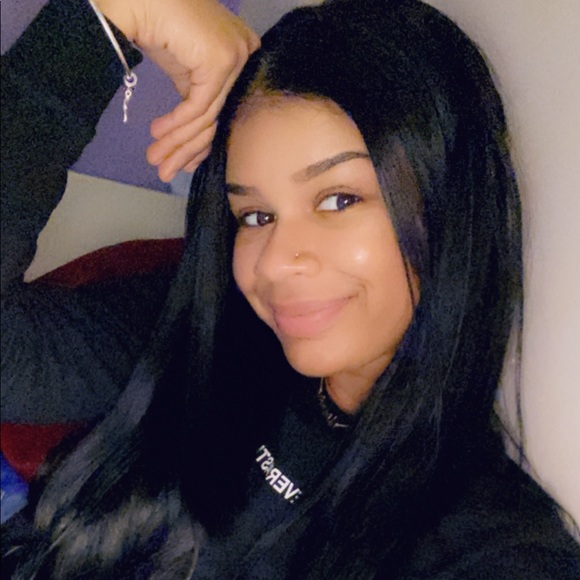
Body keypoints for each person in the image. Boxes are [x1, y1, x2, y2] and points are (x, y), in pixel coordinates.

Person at [2, 0, 579, 578]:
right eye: (255, 215)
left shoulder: (496, 550)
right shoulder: (208, 331)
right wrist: (105, 19)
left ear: (450, 208)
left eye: (338, 200)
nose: (275, 262)